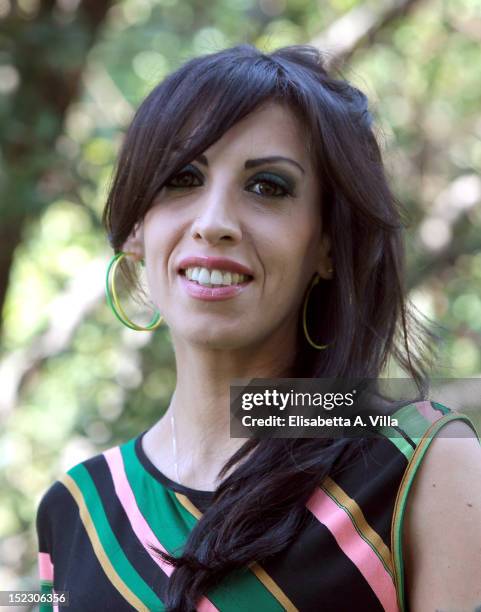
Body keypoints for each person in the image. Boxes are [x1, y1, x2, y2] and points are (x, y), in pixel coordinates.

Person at [36, 44, 481, 612]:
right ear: (135, 229)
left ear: (325, 245)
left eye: (268, 186)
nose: (214, 222)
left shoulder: (418, 464)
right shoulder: (75, 511)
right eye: (181, 177)